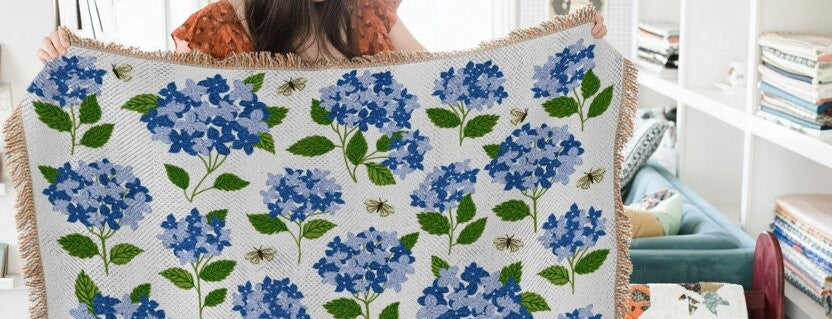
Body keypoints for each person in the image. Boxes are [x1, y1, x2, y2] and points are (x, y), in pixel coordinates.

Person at [38, 0, 606, 63]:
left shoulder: (370, 13)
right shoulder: (211, 32)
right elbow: (153, 134)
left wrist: (562, 52)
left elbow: (461, 91)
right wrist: (77, 75)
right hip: (261, 264)